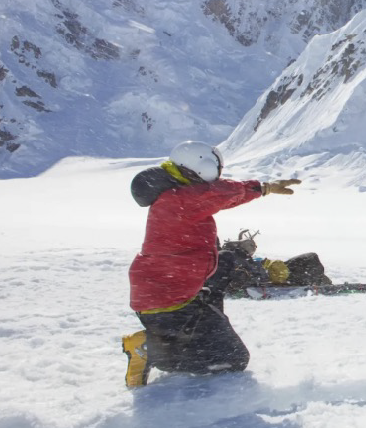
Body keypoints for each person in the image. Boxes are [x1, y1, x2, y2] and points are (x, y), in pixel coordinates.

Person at [121, 141, 300, 388]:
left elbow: (217, 196)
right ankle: (149, 349)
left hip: (168, 290)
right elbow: (220, 193)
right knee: (234, 359)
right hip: (168, 304)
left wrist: (261, 189)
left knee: (226, 259)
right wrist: (263, 188)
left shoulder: (177, 193)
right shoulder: (180, 200)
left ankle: (204, 325)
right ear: (203, 166)